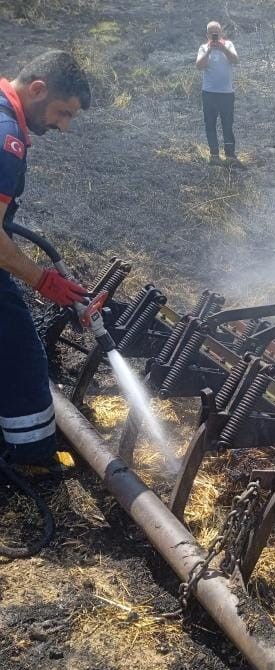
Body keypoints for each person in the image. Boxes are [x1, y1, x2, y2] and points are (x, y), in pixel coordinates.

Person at [0, 51, 90, 468]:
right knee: (19, 349)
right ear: (37, 89)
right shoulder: (6, 139)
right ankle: (33, 457)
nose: (64, 125)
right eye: (62, 111)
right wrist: (43, 280)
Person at [196, 21, 242, 166]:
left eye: (217, 32)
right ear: (207, 34)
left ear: (221, 33)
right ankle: (214, 154)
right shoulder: (203, 48)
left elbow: (235, 60)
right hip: (209, 93)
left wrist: (223, 49)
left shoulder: (228, 45)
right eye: (211, 33)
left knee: (227, 124)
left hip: (226, 93)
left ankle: (230, 154)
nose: (214, 35)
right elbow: (199, 66)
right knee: (210, 124)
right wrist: (209, 51)